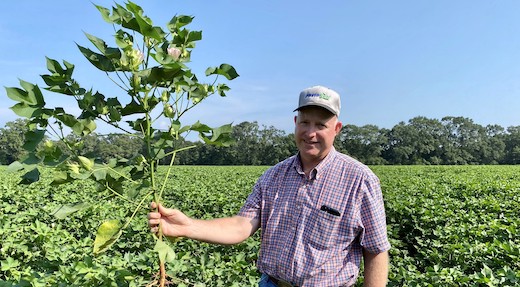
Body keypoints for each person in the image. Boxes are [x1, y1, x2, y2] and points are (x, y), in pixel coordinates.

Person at [148, 85, 391, 287]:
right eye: (305, 122)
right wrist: (188, 226)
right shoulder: (273, 176)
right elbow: (241, 226)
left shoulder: (360, 180)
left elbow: (376, 250)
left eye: (321, 125)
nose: (311, 133)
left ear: (336, 129)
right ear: (296, 123)